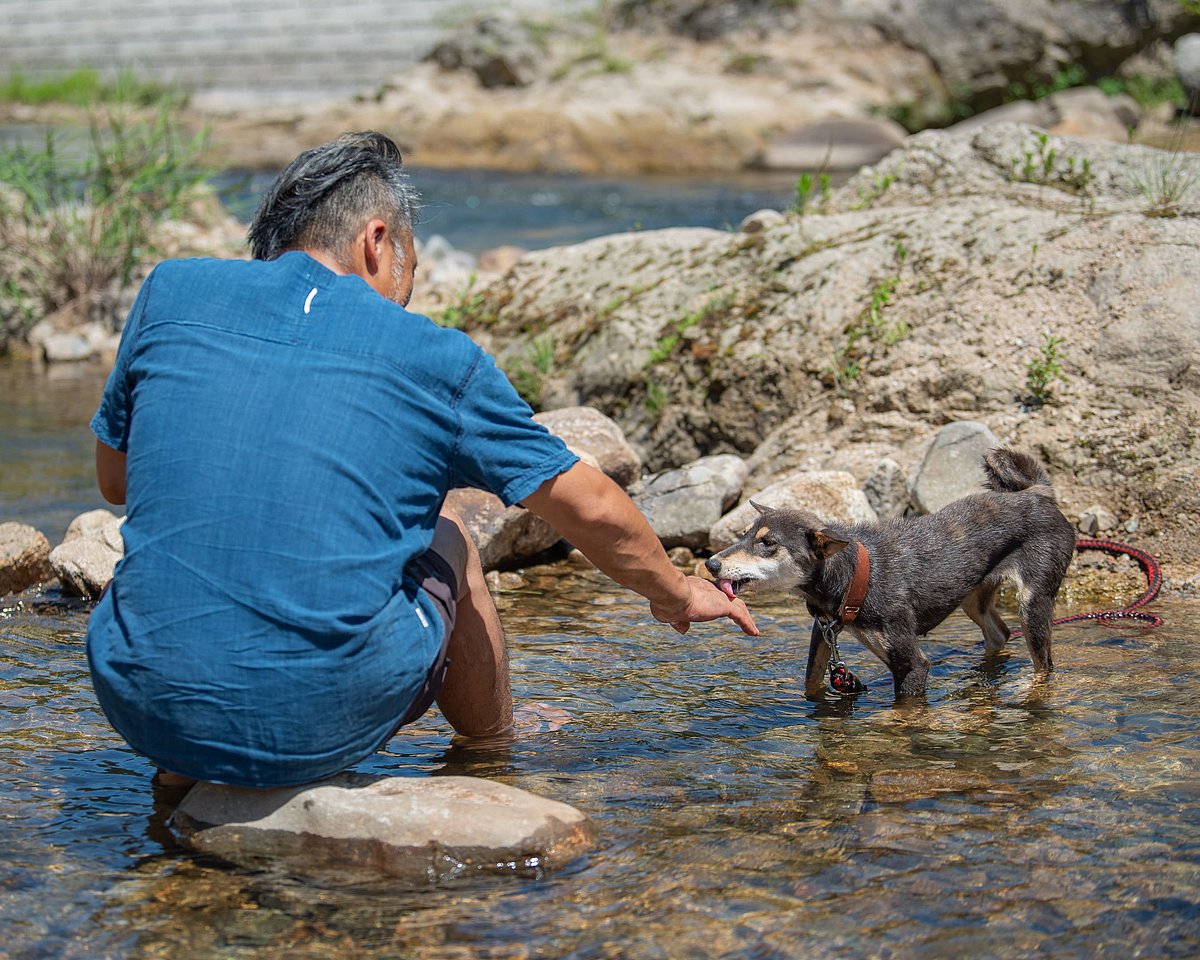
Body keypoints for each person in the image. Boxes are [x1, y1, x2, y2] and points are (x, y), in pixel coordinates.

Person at [86, 131, 757, 791]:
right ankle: (493, 748)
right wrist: (676, 591)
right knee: (447, 537)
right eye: (410, 267)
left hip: (134, 696)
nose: (409, 291)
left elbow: (116, 482)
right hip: (313, 719)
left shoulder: (170, 292)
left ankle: (185, 769)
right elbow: (588, 503)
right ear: (377, 242)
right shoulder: (433, 356)